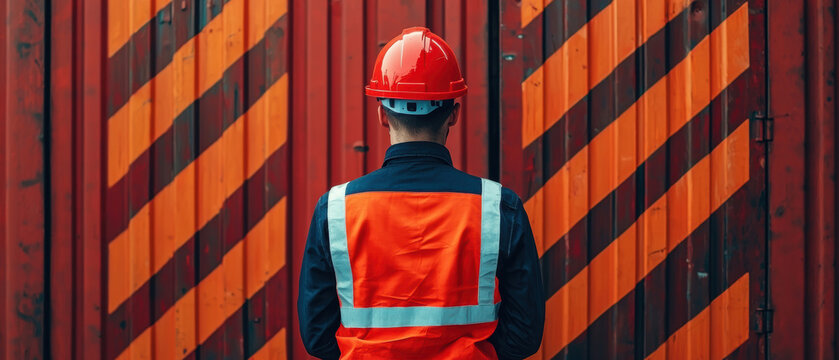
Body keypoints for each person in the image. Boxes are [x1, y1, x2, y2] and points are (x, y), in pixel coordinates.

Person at [298, 27, 544, 359]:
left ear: (382, 115)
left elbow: (317, 335)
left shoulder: (336, 210)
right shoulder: (499, 208)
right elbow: (524, 335)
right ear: (453, 115)